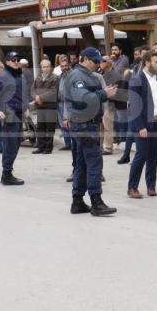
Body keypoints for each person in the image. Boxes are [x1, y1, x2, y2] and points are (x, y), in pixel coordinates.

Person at [65, 47, 118, 216]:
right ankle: (96, 201)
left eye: (99, 61)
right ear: (85, 59)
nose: (98, 64)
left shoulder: (87, 75)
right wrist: (104, 94)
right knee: (95, 161)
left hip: (87, 123)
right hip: (84, 124)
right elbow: (82, 98)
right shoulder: (77, 76)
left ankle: (78, 200)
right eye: (95, 61)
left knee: (82, 163)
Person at [127, 51, 157, 199]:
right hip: (143, 124)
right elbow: (135, 106)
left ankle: (151, 186)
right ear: (147, 63)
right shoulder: (137, 80)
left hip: (156, 122)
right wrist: (140, 126)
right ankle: (132, 187)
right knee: (141, 154)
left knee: (153, 156)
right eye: (156, 62)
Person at [0, 52, 27, 186]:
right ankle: (6, 174)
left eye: (18, 59)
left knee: (15, 144)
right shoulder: (2, 76)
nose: (17, 62)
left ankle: (8, 172)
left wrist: (25, 107)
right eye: (14, 60)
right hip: (9, 114)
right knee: (10, 145)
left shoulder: (18, 75)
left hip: (18, 113)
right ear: (8, 62)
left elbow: (22, 94)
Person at [32, 59, 59, 154]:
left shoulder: (55, 78)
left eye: (47, 66)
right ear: (41, 68)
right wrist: (35, 97)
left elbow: (53, 91)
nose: (45, 68)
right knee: (40, 127)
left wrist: (40, 97)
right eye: (43, 67)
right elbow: (33, 89)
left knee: (50, 127)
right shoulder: (38, 77)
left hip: (50, 106)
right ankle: (41, 147)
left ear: (50, 67)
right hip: (40, 106)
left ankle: (48, 148)